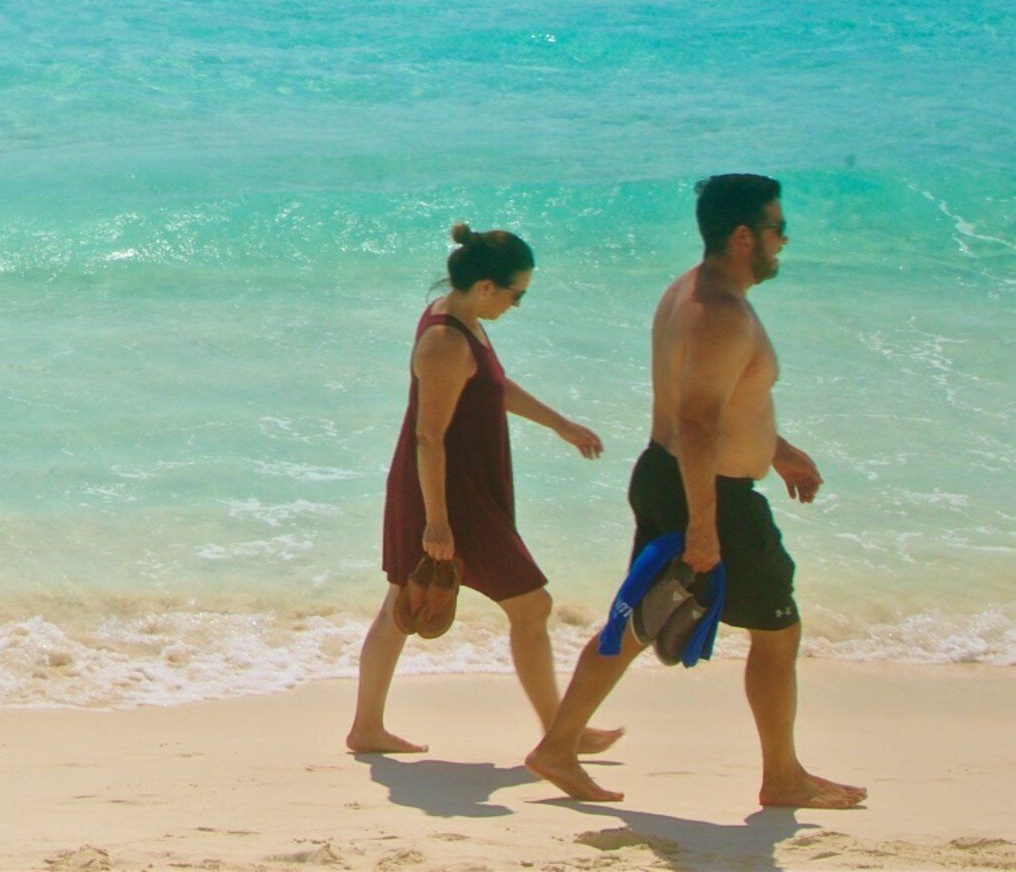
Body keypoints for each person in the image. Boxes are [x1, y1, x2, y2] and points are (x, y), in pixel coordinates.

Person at [523, 175, 864, 811]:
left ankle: (558, 746)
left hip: (669, 476)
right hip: (708, 493)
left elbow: (722, 403)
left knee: (635, 619)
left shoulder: (692, 291)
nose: (783, 240)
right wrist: (706, 526)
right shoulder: (721, 314)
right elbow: (699, 422)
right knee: (777, 631)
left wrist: (778, 451)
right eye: (775, 228)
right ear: (743, 236)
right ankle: (783, 778)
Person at [347, 222, 614, 759]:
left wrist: (559, 424)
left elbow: (492, 386)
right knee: (529, 605)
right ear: (487, 286)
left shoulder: (466, 322)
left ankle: (367, 728)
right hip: (447, 494)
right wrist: (438, 522)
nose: (518, 305)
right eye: (517, 294)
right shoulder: (444, 340)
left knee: (404, 600)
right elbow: (428, 437)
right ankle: (561, 734)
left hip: (459, 487)